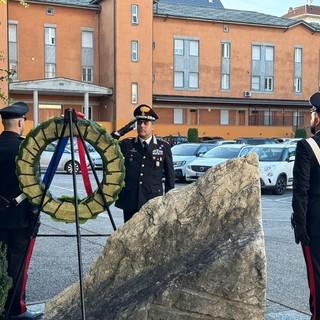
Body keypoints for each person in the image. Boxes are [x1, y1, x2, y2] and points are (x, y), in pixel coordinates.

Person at [0, 102, 42, 320]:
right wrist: (36, 213)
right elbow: (35, 188)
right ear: (20, 122)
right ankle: (16, 310)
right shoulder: (26, 150)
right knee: (17, 268)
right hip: (20, 220)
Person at [112, 104, 175, 222]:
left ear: (153, 126)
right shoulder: (127, 144)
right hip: (131, 199)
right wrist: (121, 131)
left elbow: (170, 176)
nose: (142, 126)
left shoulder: (163, 147)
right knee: (129, 236)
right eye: (139, 123)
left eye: (145, 123)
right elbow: (108, 146)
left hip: (152, 199)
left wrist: (169, 200)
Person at [292, 91, 320, 320]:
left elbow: (301, 190)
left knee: (317, 281)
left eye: (312, 112)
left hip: (315, 224)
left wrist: (300, 224)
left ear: (318, 118)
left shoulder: (308, 146)